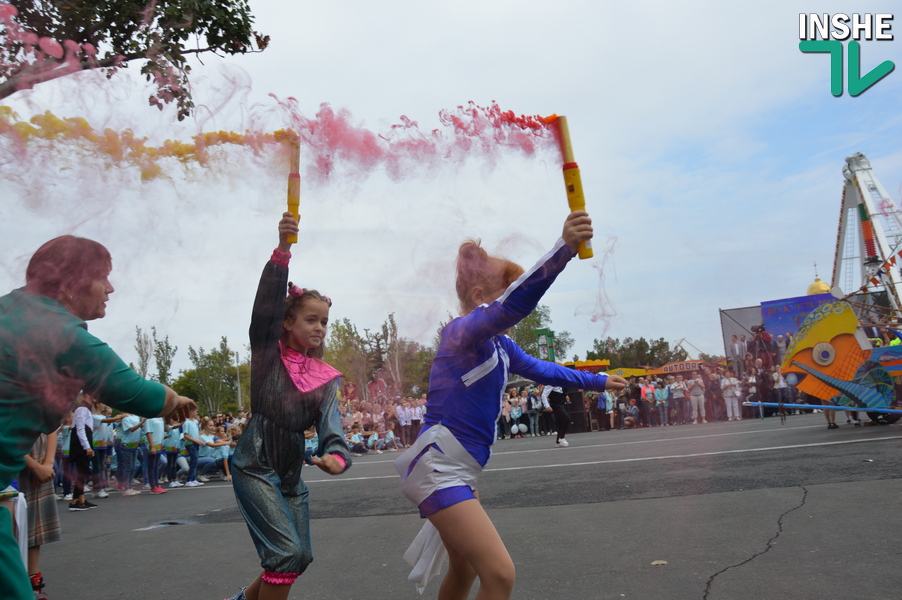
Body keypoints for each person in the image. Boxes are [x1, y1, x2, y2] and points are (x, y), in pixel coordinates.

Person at [393, 211, 627, 598]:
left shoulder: (502, 347)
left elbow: (546, 370)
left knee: (465, 569)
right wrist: (564, 250)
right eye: (507, 289)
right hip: (440, 467)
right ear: (480, 297)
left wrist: (598, 381)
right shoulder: (459, 335)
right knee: (500, 575)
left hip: (459, 470)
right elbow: (514, 307)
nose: (512, 304)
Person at [0, 234, 195, 600]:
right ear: (71, 282)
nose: (111, 287)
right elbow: (135, 392)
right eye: (102, 276)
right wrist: (176, 400)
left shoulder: (11, 308)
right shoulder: (60, 334)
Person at [226, 213, 351, 600]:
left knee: (300, 557)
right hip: (255, 464)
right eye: (311, 319)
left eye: (325, 322)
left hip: (291, 475)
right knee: (285, 554)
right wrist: (283, 250)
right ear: (286, 322)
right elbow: (264, 309)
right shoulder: (267, 353)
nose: (320, 328)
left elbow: (333, 427)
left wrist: (336, 456)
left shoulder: (325, 377)